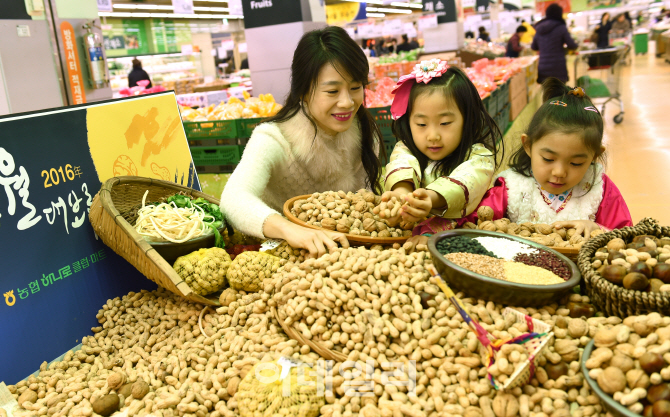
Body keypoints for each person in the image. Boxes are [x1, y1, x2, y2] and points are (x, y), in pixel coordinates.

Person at [220, 26, 384, 258]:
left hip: (349, 260)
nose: (347, 102)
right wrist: (289, 229)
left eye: (355, 88)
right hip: (282, 260)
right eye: (332, 91)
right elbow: (234, 198)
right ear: (304, 91)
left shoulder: (366, 135)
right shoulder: (273, 139)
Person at [463, 79, 632, 237]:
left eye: (576, 163)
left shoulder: (600, 189)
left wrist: (597, 230)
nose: (559, 172)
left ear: (594, 156)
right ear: (528, 145)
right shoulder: (511, 187)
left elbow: (625, 235)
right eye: (548, 159)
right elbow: (476, 224)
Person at [379, 59, 504, 235]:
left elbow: (468, 180)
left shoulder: (480, 157)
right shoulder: (406, 148)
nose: (433, 136)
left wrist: (430, 198)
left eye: (445, 123)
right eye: (421, 124)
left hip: (459, 238)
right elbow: (401, 165)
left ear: (467, 119)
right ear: (408, 123)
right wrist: (401, 196)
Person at [531, 3, 578, 84]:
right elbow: (571, 45)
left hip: (543, 68)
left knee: (547, 94)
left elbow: (534, 47)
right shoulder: (561, 27)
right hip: (558, 67)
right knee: (560, 93)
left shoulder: (539, 28)